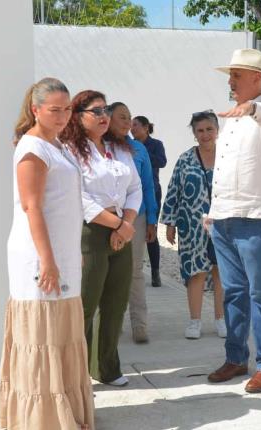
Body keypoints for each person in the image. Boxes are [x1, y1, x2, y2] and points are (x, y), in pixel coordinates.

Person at [0, 77, 94, 430]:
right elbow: (32, 207)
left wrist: (69, 252)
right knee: (43, 338)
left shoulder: (59, 146)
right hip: (38, 257)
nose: (63, 116)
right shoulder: (32, 149)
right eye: (54, 110)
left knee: (61, 335)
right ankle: (44, 421)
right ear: (35, 110)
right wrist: (48, 260)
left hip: (61, 255)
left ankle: (65, 411)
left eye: (67, 109)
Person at [205, 48, 261, 394]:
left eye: (236, 76)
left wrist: (252, 108)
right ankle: (236, 358)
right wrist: (213, 212)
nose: (230, 81)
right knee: (233, 293)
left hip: (256, 218)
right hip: (223, 218)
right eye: (230, 75)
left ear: (257, 79)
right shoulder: (231, 118)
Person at [60, 90, 142, 388]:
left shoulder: (119, 149)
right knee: (85, 305)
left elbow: (135, 188)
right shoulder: (68, 150)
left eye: (106, 110)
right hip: (91, 232)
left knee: (116, 303)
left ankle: (106, 367)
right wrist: (118, 224)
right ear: (77, 115)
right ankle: (75, 374)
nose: (104, 116)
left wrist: (126, 225)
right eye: (96, 111)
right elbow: (77, 197)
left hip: (123, 229)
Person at [161, 110, 225, 340]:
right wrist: (169, 222)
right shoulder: (185, 159)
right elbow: (174, 191)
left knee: (221, 273)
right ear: (194, 133)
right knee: (195, 273)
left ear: (217, 130)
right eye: (200, 130)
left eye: (209, 129)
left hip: (223, 224)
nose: (205, 134)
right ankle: (194, 321)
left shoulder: (229, 156)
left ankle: (221, 319)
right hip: (191, 226)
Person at [106, 102, 158, 344]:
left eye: (129, 118)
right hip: (107, 218)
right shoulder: (99, 147)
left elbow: (147, 185)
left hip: (136, 217)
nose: (127, 122)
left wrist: (152, 220)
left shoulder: (138, 149)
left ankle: (140, 325)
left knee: (135, 271)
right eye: (122, 117)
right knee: (109, 272)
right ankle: (112, 325)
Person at [131, 115, 167, 287]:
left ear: (146, 128)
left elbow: (162, 161)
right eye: (131, 126)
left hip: (152, 191)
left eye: (136, 125)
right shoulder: (128, 145)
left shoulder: (155, 145)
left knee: (151, 230)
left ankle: (155, 272)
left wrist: (143, 155)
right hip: (133, 196)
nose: (132, 129)